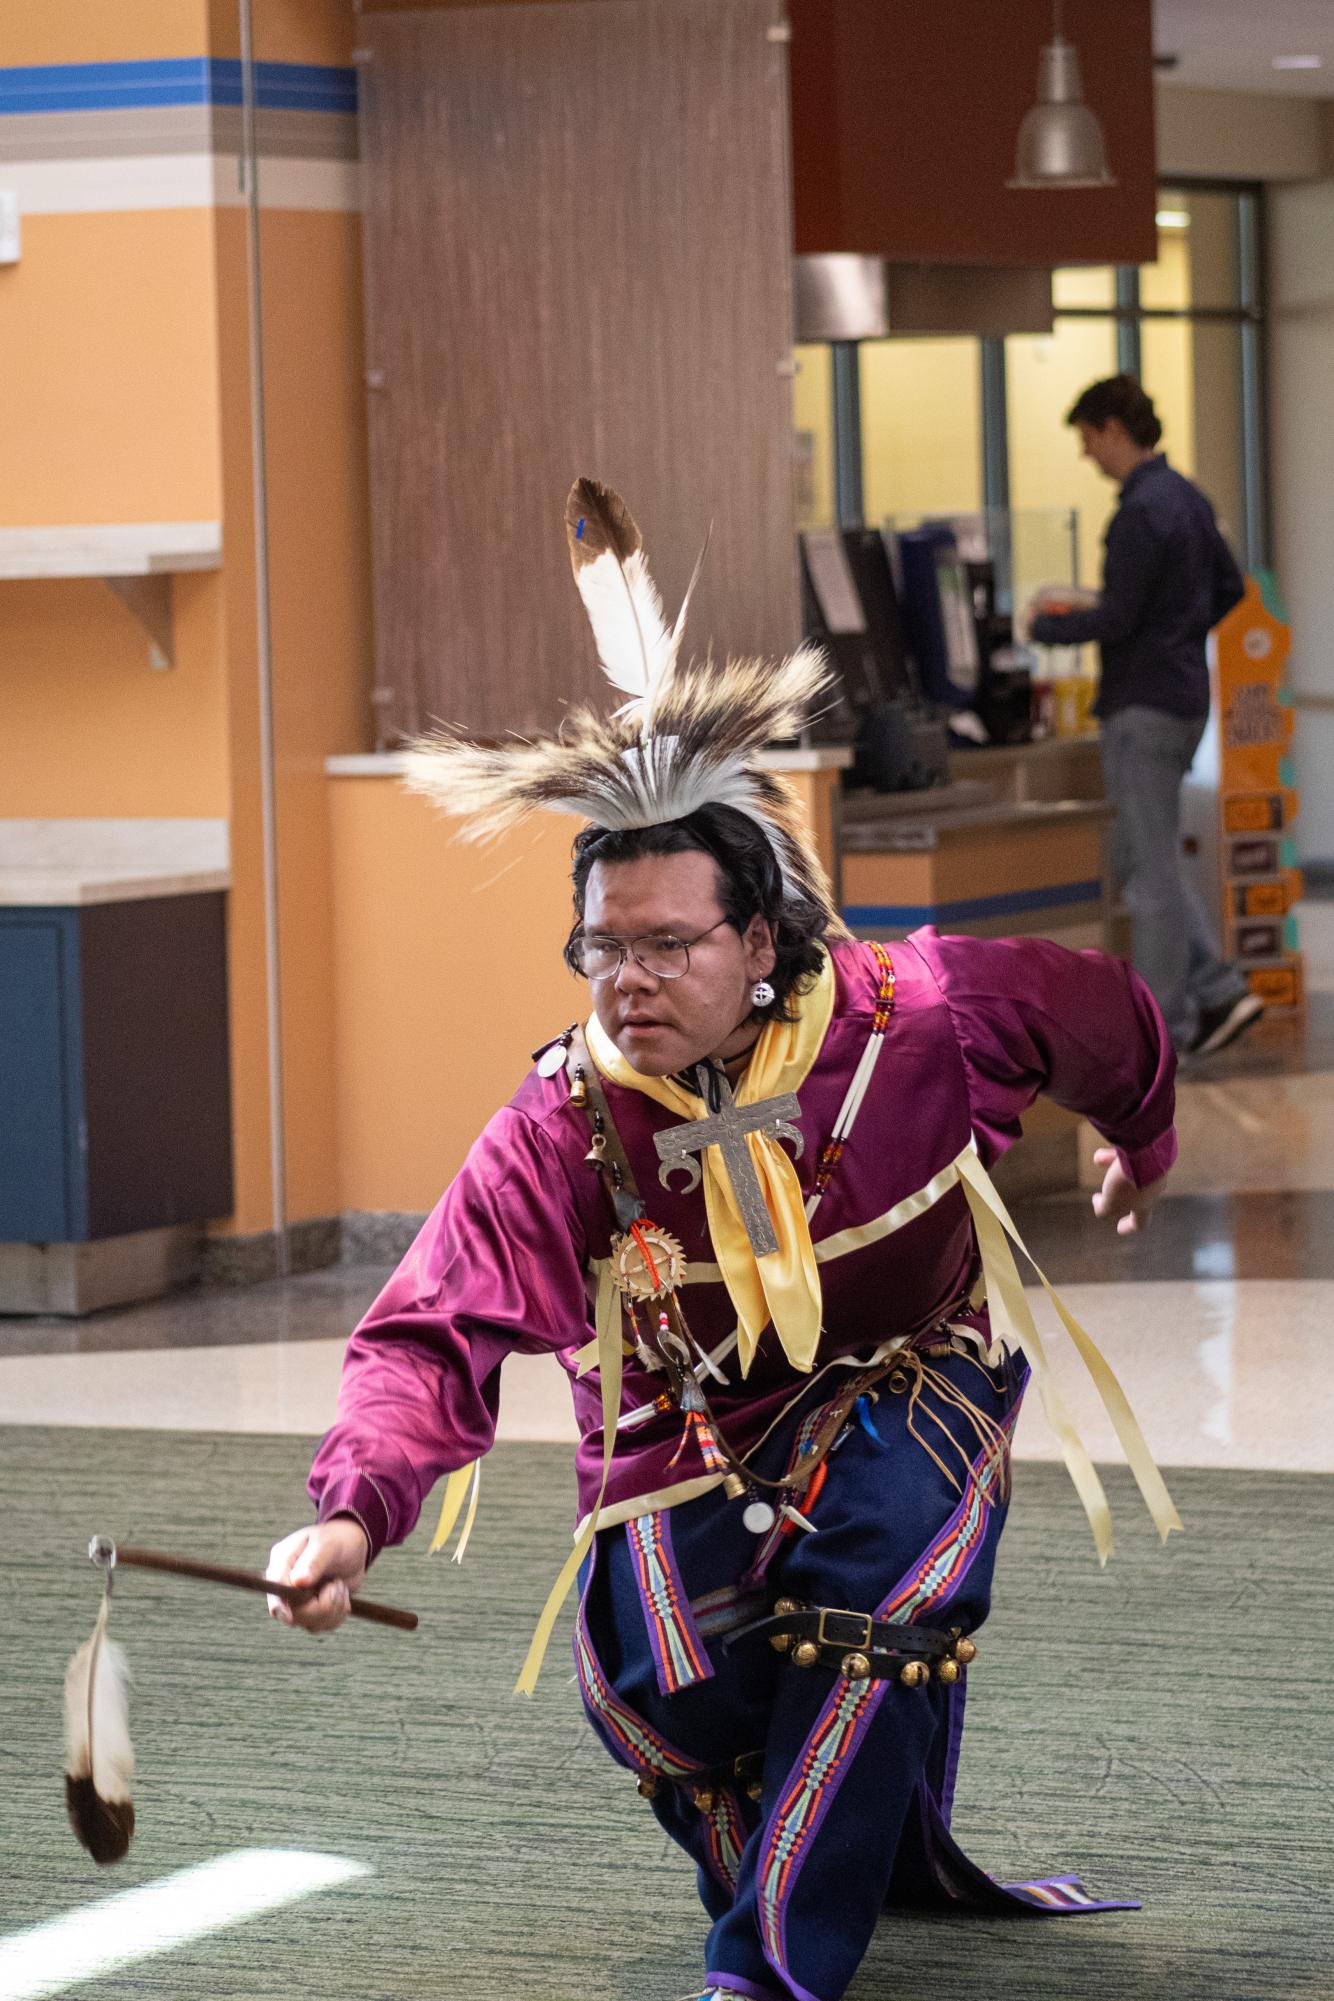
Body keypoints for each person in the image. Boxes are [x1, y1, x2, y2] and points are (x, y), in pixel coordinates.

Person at [267, 480, 1181, 2001]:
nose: (626, 979)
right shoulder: (564, 1121)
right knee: (656, 1697)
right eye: (599, 947)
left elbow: (1111, 1024)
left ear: (760, 943)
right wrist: (355, 1509)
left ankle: (766, 1970)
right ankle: (836, 1843)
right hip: (691, 1422)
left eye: (667, 943)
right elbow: (431, 1331)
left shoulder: (925, 1020)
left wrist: (1134, 1135)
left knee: (873, 1579)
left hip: (910, 1374)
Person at [1028, 373, 1260, 1058]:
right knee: (1145, 855)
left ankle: (1167, 1029)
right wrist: (1181, 634)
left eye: (1089, 439)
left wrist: (1047, 627)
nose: (1088, 455)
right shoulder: (1187, 498)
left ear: (1112, 430)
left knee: (1147, 872)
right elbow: (1232, 586)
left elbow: (1118, 616)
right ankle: (1218, 987)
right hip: (1186, 697)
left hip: (1143, 704)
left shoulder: (1138, 513)